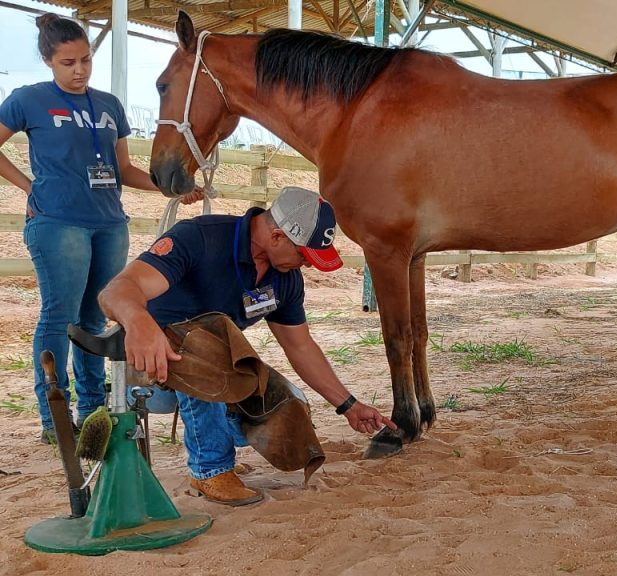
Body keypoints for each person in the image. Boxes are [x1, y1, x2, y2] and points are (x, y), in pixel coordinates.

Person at [99, 186, 396, 506]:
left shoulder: (285, 278)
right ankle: (208, 469)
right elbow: (115, 292)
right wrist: (140, 322)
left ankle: (218, 436)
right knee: (209, 355)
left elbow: (301, 347)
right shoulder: (200, 238)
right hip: (148, 361)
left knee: (285, 405)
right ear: (278, 236)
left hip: (215, 365)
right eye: (303, 255)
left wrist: (349, 405)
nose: (306, 265)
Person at [0, 14, 200, 444]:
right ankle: (54, 418)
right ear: (49, 62)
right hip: (58, 224)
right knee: (59, 317)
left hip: (110, 224)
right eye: (68, 62)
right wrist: (28, 187)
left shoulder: (109, 104)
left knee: (96, 318)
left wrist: (172, 188)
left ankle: (93, 412)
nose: (79, 70)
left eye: (86, 60)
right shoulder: (28, 99)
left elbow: (124, 168)